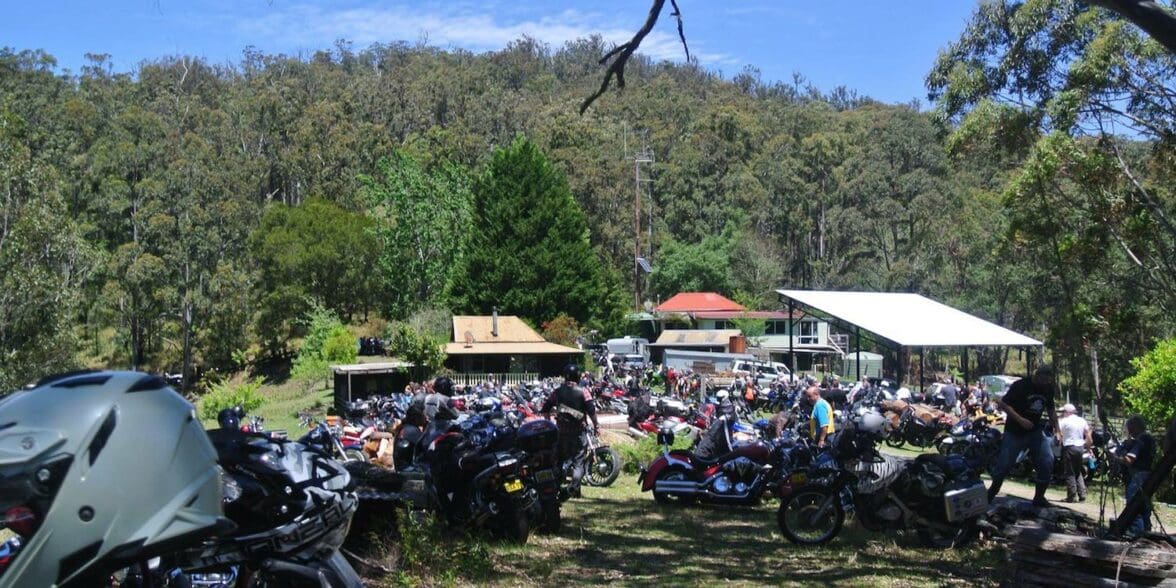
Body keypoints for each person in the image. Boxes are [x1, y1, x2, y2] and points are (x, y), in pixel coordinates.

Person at [987, 364, 1060, 507]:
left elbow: (1051, 410)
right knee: (1004, 465)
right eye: (1043, 380)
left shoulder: (1048, 389)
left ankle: (1039, 497)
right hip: (1014, 431)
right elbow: (1004, 404)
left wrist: (1057, 430)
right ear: (1037, 376)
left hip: (1035, 431)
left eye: (1048, 381)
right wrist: (1020, 419)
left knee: (1047, 460)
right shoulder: (1021, 385)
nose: (1045, 383)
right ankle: (991, 494)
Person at [542, 363, 599, 497]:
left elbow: (545, 409)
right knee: (578, 463)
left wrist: (550, 423)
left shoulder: (557, 392)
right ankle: (574, 489)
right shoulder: (583, 391)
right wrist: (596, 425)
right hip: (579, 432)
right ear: (577, 376)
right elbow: (591, 411)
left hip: (561, 432)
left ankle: (556, 490)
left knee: (559, 461)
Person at [1115, 416, 1155, 535]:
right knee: (1144, 506)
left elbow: (1129, 460)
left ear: (1135, 426)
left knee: (1134, 506)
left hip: (1138, 475)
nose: (1129, 430)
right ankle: (1147, 533)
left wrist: (1117, 457)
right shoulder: (1150, 439)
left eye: (1130, 427)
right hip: (1148, 475)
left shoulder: (1141, 439)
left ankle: (1137, 534)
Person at [1058, 403, 1092, 502]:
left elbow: (1057, 432)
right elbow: (1088, 433)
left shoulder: (1064, 421)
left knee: (1069, 472)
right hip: (1080, 447)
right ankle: (1082, 493)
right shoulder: (1082, 420)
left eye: (1063, 412)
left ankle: (1071, 496)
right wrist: (1088, 446)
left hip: (1069, 446)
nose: (1062, 413)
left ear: (1066, 412)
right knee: (1077, 471)